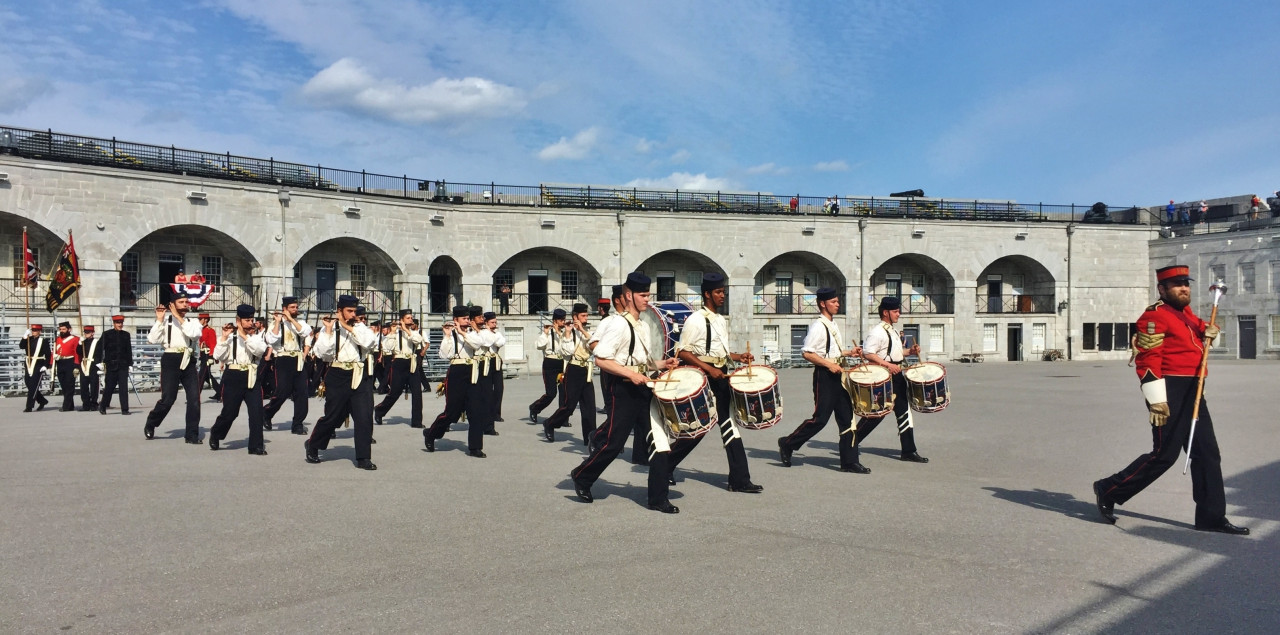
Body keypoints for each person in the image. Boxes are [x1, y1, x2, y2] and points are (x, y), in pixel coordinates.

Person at [1093, 265, 1248, 535]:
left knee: (1207, 454)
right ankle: (1109, 488)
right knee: (1164, 455)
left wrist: (1212, 331)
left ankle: (1211, 517)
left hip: (1194, 387)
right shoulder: (1153, 317)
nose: (1184, 288)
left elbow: (1203, 333)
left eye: (1185, 283)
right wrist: (1156, 400)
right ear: (1162, 289)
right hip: (1168, 390)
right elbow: (1147, 359)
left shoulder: (1185, 313)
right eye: (1176, 284)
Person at [569, 272, 681, 513]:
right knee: (614, 442)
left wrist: (662, 364)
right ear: (628, 295)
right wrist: (630, 375)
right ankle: (582, 476)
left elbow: (642, 361)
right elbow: (601, 359)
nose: (647, 300)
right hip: (623, 389)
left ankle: (658, 498)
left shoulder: (642, 325)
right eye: (642, 295)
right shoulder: (619, 324)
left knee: (660, 441)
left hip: (643, 387)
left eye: (648, 295)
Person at [666, 273, 763, 493]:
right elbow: (682, 351)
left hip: (721, 375)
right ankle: (665, 465)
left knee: (730, 425)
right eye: (718, 292)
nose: (722, 296)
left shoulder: (720, 319)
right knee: (699, 428)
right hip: (704, 376)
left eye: (723, 292)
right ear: (707, 294)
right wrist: (710, 369)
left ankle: (739, 480)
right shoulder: (696, 319)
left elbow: (721, 353)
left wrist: (739, 357)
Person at [777, 288, 866, 472]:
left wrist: (849, 352)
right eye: (834, 302)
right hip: (825, 376)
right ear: (823, 304)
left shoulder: (832, 324)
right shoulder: (818, 326)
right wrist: (828, 365)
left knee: (847, 419)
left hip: (838, 374)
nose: (837, 304)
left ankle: (849, 462)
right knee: (820, 419)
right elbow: (807, 352)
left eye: (837, 301)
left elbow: (831, 351)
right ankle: (788, 443)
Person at [850, 296, 929, 468]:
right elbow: (868, 353)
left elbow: (897, 353)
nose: (898, 314)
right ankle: (850, 443)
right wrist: (888, 365)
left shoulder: (893, 330)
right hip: (884, 376)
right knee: (875, 415)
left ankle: (908, 450)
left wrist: (911, 351)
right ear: (885, 312)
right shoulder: (877, 332)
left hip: (897, 374)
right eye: (895, 311)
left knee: (904, 412)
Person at [304, 295, 378, 470]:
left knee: (364, 417)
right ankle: (313, 444)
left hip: (360, 374)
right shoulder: (329, 329)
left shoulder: (361, 328)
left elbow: (369, 343)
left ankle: (363, 458)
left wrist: (348, 327)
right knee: (332, 416)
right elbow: (323, 353)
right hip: (337, 374)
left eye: (354, 311)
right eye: (349, 311)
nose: (353, 315)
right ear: (340, 311)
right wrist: (330, 330)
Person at [424, 306, 493, 457]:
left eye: (468, 319)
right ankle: (431, 433)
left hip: (473, 372)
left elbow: (477, 344)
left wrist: (463, 332)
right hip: (457, 372)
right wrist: (448, 336)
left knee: (475, 411)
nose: (467, 321)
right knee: (451, 413)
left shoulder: (472, 333)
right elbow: (443, 354)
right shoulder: (451, 335)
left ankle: (475, 447)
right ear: (456, 320)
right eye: (464, 319)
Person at [144, 290, 204, 443]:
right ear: (172, 305)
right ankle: (152, 422)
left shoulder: (193, 322)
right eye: (181, 302)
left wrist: (178, 317)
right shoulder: (165, 322)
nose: (185, 305)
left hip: (188, 359)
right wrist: (159, 320)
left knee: (194, 399)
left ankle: (191, 434)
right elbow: (152, 339)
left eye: (186, 302)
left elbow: (194, 335)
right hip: (171, 359)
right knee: (168, 399)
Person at [208, 304, 269, 455]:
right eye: (247, 320)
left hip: (252, 377)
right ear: (238, 321)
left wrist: (244, 336)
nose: (250, 323)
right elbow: (218, 356)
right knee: (230, 413)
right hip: (234, 377)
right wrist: (223, 337)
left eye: (251, 320)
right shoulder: (229, 338)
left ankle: (256, 446)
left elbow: (260, 350)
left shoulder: (256, 338)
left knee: (256, 413)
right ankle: (216, 433)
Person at [540, 303, 596, 444]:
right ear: (575, 317)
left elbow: (595, 347)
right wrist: (568, 333)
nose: (585, 318)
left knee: (589, 407)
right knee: (569, 406)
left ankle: (590, 439)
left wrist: (583, 330)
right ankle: (550, 423)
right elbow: (567, 351)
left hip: (587, 370)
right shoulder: (568, 333)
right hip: (573, 369)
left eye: (586, 315)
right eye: (583, 316)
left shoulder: (587, 332)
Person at [263, 296, 314, 435]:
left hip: (298, 359)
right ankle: (266, 413)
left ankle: (297, 424)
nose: (295, 309)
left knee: (302, 393)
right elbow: (270, 340)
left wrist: (291, 319)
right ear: (284, 309)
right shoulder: (276, 324)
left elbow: (305, 333)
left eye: (296, 307)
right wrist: (278, 322)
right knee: (282, 392)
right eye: (292, 307)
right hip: (283, 358)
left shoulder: (300, 323)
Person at [374, 309, 425, 428]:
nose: (411, 320)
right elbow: (387, 348)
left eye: (411, 318)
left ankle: (416, 421)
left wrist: (406, 330)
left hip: (412, 362)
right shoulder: (395, 334)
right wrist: (392, 332)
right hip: (399, 362)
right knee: (395, 392)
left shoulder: (414, 332)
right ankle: (379, 410)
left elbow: (418, 341)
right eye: (408, 318)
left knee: (417, 393)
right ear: (401, 320)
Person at [528, 308, 569, 425]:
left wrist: (563, 333)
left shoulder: (566, 333)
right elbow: (539, 345)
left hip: (561, 364)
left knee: (563, 392)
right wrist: (545, 333)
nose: (563, 322)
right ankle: (535, 408)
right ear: (555, 321)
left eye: (564, 319)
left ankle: (562, 418)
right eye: (561, 320)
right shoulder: (547, 332)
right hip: (550, 364)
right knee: (551, 393)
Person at [98, 315, 133, 415]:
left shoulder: (126, 335)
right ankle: (103, 406)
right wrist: (99, 362)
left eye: (121, 323)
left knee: (123, 388)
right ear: (114, 323)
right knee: (109, 387)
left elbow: (128, 350)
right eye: (118, 323)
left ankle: (125, 409)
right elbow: (99, 349)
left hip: (123, 365)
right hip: (111, 365)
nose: (120, 325)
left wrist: (130, 364)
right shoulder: (106, 334)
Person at [19, 324, 51, 412]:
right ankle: (42, 401)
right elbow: (21, 346)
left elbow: (48, 354)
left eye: (36, 330)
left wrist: (46, 365)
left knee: (33, 386)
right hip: (29, 363)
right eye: (32, 330)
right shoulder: (28, 340)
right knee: (28, 383)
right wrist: (24, 336)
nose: (34, 332)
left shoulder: (43, 341)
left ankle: (29, 406)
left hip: (38, 364)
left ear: (40, 332)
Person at [52, 322, 80, 412]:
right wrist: (51, 362)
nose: (62, 331)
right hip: (60, 362)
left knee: (69, 384)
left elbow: (77, 353)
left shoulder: (75, 339)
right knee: (63, 385)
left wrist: (76, 365)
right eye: (60, 329)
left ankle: (66, 406)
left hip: (70, 362)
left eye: (64, 329)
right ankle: (70, 405)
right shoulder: (57, 339)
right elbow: (54, 351)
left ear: (69, 329)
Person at [485, 312, 506, 427]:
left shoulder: (497, 333)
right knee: (487, 389)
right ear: (486, 323)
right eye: (492, 322)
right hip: (486, 361)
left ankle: (496, 413)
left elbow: (501, 342)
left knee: (499, 388)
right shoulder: (483, 332)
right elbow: (486, 342)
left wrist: (493, 335)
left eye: (495, 322)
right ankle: (488, 413)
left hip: (496, 360)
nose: (494, 324)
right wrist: (490, 334)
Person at [77, 325, 103, 411]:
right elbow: (79, 352)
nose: (86, 334)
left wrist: (100, 364)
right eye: (85, 332)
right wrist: (79, 344)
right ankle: (86, 404)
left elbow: (100, 354)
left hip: (93, 365)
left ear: (92, 333)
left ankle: (94, 404)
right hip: (84, 365)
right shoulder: (83, 342)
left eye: (88, 332)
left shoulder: (97, 342)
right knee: (83, 386)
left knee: (94, 386)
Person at [196, 312, 221, 398]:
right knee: (206, 376)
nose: (199, 321)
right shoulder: (201, 330)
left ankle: (195, 396)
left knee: (201, 376)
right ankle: (220, 392)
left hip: (207, 354)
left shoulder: (210, 330)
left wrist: (211, 356)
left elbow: (213, 344)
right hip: (203, 354)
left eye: (200, 319)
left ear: (205, 320)